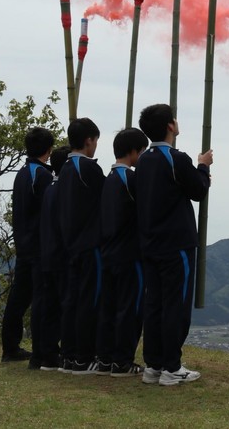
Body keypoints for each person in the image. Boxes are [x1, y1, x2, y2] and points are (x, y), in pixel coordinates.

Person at [136, 104, 212, 386]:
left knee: (154, 304)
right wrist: (203, 165)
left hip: (150, 244)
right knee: (176, 306)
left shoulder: (143, 160)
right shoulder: (175, 158)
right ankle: (172, 367)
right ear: (170, 126)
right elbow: (198, 190)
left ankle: (153, 365)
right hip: (176, 245)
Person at [97, 128, 149, 377]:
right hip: (130, 255)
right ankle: (123, 361)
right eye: (142, 152)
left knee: (109, 307)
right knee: (131, 308)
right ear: (133, 152)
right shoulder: (130, 179)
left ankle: (106, 358)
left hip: (108, 253)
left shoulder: (108, 179)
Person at [2, 127, 54, 364]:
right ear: (49, 149)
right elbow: (48, 210)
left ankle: (10, 347)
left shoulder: (23, 172)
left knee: (19, 298)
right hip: (38, 246)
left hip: (22, 243)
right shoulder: (41, 175)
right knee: (41, 298)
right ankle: (42, 350)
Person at [58, 117, 104, 375]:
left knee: (72, 299)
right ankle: (86, 356)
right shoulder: (88, 168)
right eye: (96, 140)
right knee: (90, 300)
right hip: (91, 245)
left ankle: (69, 355)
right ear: (89, 140)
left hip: (70, 245)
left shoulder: (65, 168)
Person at [37, 145, 71, 371]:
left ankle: (48, 352)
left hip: (47, 253)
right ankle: (60, 352)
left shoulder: (50, 188)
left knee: (51, 307)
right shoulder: (63, 191)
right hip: (61, 256)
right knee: (64, 305)